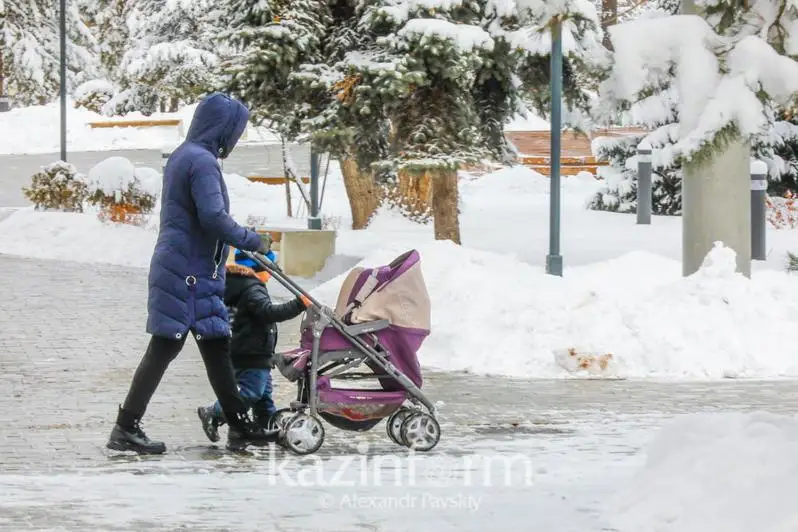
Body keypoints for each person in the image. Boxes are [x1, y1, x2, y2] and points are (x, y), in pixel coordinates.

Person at [106, 93, 276, 455]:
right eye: (236, 131)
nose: (235, 139)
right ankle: (125, 427)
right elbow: (213, 217)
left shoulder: (188, 155)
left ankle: (239, 425)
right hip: (188, 273)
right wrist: (253, 240)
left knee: (215, 344)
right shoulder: (201, 161)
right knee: (166, 345)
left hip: (191, 269)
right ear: (224, 128)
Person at [197, 248, 310, 450]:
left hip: (241, 349)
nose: (271, 275)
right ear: (259, 269)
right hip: (253, 351)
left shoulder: (231, 283)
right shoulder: (252, 288)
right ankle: (213, 411)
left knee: (263, 397)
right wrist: (298, 304)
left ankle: (262, 429)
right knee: (251, 392)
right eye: (270, 270)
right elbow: (269, 312)